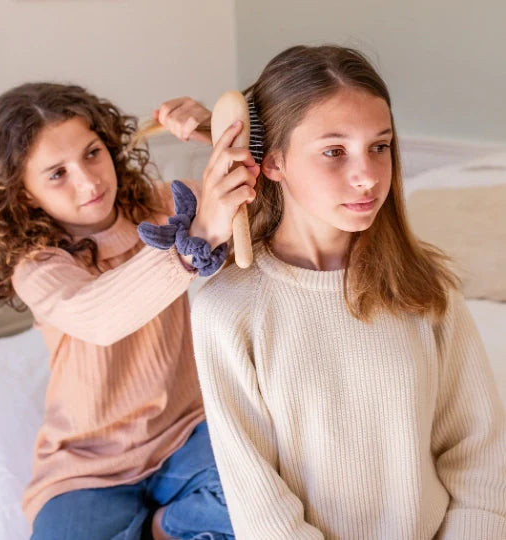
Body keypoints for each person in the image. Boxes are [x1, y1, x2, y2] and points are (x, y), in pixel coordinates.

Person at [190, 45, 506, 539]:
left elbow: (480, 457)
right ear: (273, 162)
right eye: (334, 151)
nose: (367, 176)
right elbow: (260, 504)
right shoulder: (226, 308)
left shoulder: (426, 287)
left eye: (379, 147)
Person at [0, 83, 258, 539]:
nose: (88, 180)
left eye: (91, 153)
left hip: (185, 432)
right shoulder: (38, 265)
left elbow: (261, 200)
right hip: (88, 465)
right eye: (57, 174)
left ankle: (160, 528)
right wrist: (189, 245)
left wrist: (218, 134)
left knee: (265, 496)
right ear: (24, 195)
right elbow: (99, 317)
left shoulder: (165, 207)